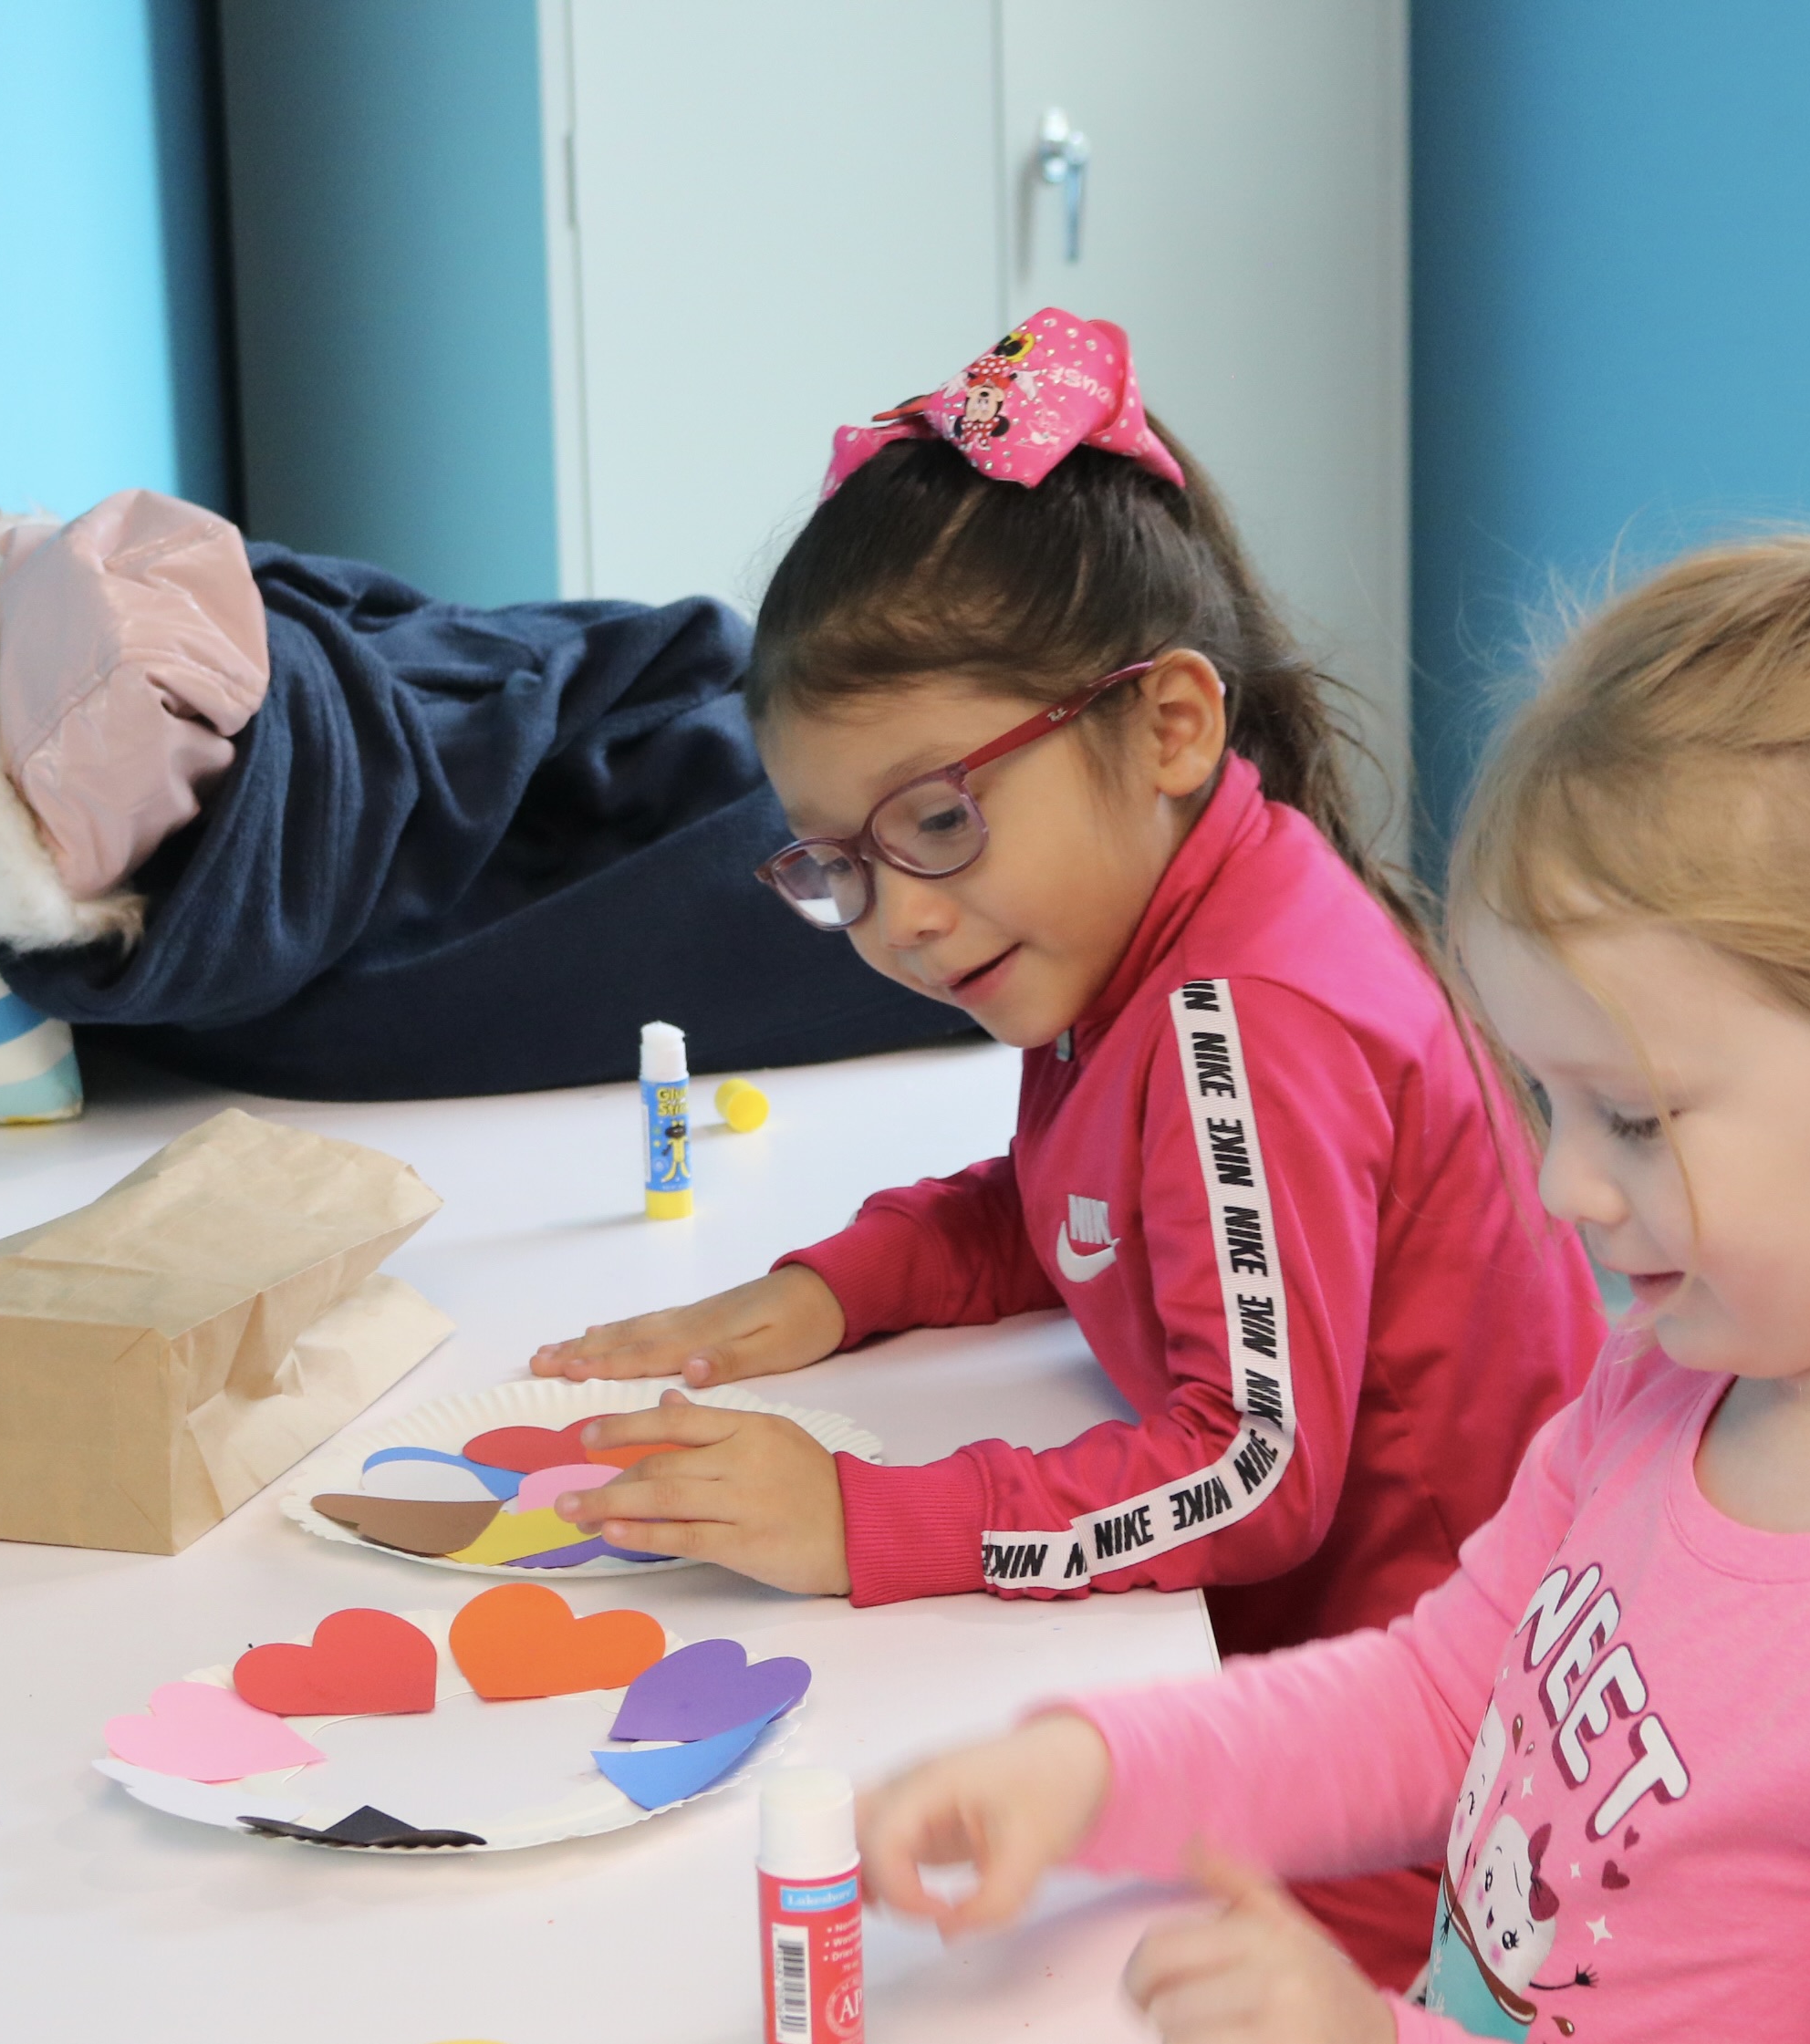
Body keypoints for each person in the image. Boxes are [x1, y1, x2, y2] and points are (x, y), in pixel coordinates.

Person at [853, 359, 1810, 2042]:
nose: (1562, 1183)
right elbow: (1442, 1697)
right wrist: (1096, 1769)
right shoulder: (1681, 1377)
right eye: (1554, 1101)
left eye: (1638, 1118)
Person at [532, 308, 1604, 1983]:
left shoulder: (1242, 1021)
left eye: (937, 819)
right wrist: (840, 1288)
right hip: (1296, 1704)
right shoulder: (1144, 931)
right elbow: (1083, 1201)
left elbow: (1249, 1469)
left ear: (1168, 724)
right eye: (839, 865)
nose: (897, 918)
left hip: (1431, 1812)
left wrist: (865, 1520)